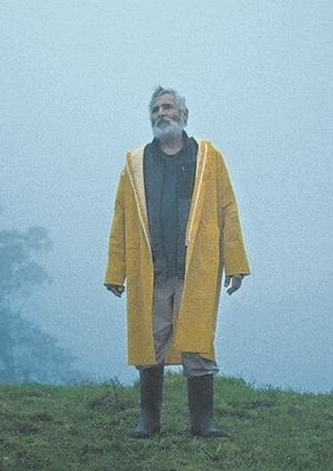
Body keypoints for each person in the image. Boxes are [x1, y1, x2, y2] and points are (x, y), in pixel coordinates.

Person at [104, 86, 250, 438]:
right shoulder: (135, 163)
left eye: (168, 107)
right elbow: (121, 218)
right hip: (150, 271)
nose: (161, 114)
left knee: (197, 343)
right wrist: (115, 271)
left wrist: (236, 263)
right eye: (156, 109)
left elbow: (227, 208)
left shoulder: (208, 159)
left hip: (195, 271)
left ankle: (202, 424)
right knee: (149, 344)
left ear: (184, 115)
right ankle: (148, 422)